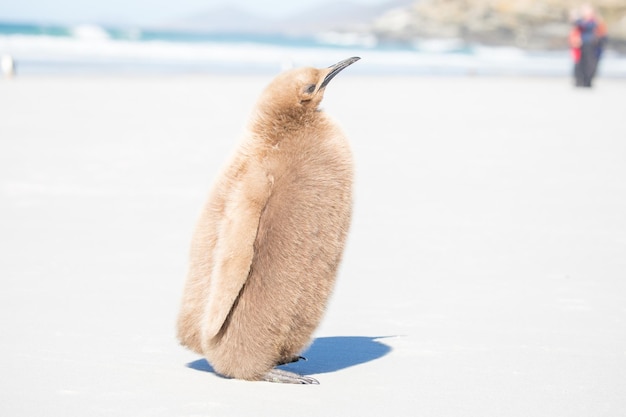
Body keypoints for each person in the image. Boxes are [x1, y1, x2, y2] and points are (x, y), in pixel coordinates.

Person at [571, 5, 607, 88]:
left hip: (591, 45)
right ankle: (580, 80)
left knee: (590, 63)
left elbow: (590, 27)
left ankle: (587, 81)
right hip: (582, 45)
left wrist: (576, 19)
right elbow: (576, 29)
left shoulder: (594, 21)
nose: (583, 13)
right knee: (580, 63)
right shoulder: (582, 21)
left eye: (585, 11)